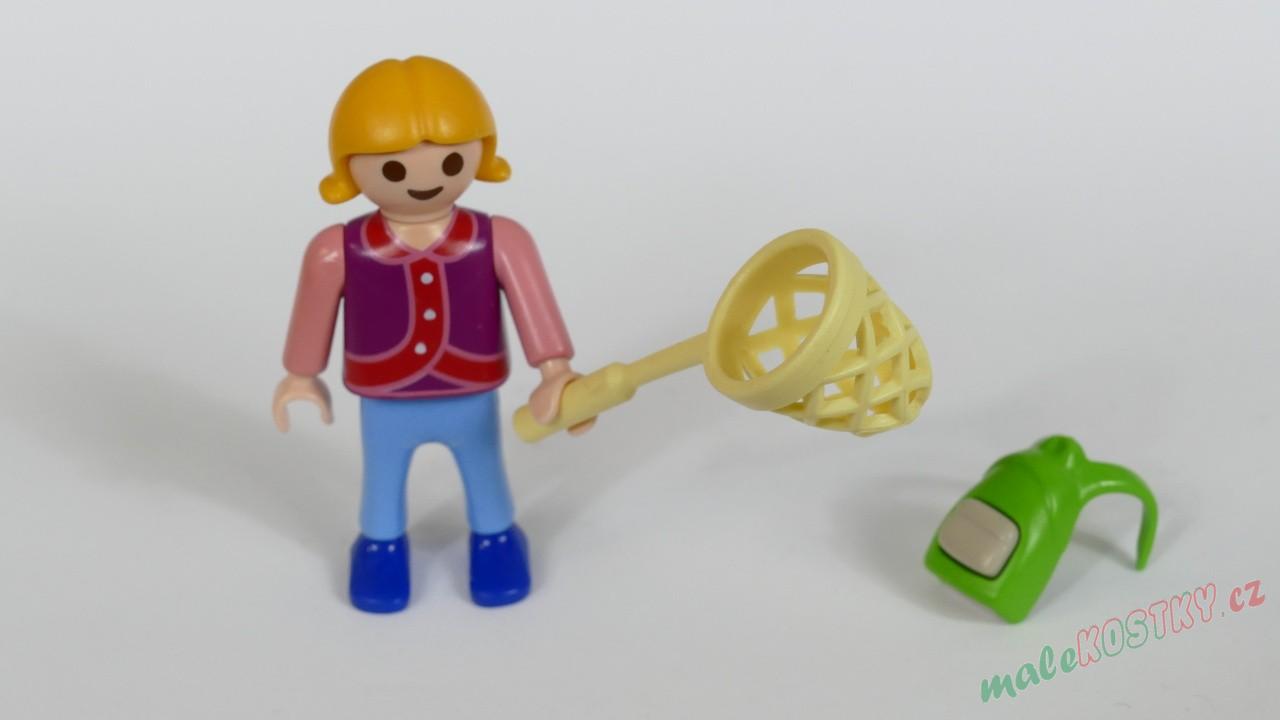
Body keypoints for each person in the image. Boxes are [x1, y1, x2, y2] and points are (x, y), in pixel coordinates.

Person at [272, 56, 592, 613]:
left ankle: (495, 539)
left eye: (450, 161)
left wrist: (556, 371)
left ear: (480, 153)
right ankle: (380, 547)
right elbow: (313, 311)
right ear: (350, 168)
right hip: (385, 395)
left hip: (470, 389)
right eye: (394, 170)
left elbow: (535, 309)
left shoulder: (500, 238)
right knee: (382, 477)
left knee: (484, 470)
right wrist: (301, 375)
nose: (424, 181)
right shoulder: (337, 249)